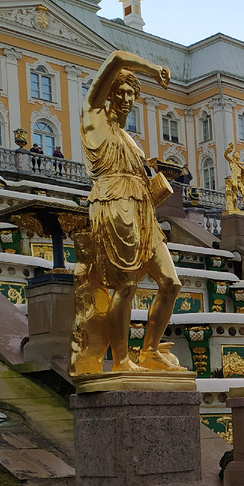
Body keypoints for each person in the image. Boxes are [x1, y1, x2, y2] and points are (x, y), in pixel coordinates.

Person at [70, 49, 184, 374]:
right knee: (126, 286)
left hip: (143, 212)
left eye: (131, 93)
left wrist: (156, 189)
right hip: (112, 207)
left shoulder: (132, 141)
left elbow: (142, 185)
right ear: (107, 94)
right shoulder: (93, 118)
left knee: (171, 283)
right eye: (120, 92)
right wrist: (153, 66)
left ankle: (150, 351)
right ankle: (120, 361)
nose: (126, 99)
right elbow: (117, 58)